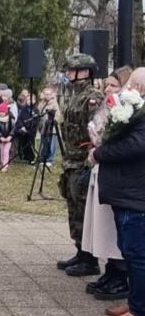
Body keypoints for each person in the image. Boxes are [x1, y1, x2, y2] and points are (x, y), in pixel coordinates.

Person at [91, 67, 145, 316]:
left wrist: (101, 152)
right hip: (127, 193)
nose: (128, 88)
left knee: (137, 255)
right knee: (130, 251)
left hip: (136, 195)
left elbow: (135, 146)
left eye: (133, 83)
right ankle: (136, 301)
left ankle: (140, 311)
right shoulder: (136, 112)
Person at [82, 66, 131, 301]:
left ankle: (120, 274)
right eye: (108, 85)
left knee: (115, 229)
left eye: (115, 85)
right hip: (101, 169)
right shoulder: (106, 106)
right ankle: (110, 270)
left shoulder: (129, 111)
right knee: (102, 225)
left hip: (117, 175)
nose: (109, 89)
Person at [56, 53, 103, 276]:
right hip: (71, 160)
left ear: (84, 72)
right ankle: (80, 250)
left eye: (71, 71)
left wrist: (88, 160)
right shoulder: (74, 95)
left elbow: (97, 130)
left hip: (83, 161)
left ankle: (89, 259)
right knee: (74, 209)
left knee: (83, 209)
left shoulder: (92, 97)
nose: (67, 74)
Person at [37, 86, 60, 165]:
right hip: (43, 127)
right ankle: (43, 158)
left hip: (51, 128)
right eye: (46, 94)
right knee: (44, 143)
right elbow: (39, 113)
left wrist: (52, 122)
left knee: (51, 144)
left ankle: (50, 159)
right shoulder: (41, 104)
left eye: (49, 94)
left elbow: (57, 115)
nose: (47, 96)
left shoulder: (54, 103)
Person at [0, 91, 15, 172]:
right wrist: (0, 137)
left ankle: (5, 165)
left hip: (8, 138)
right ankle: (2, 162)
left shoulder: (10, 119)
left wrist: (10, 136)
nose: (1, 113)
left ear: (6, 112)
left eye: (2, 112)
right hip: (1, 139)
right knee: (1, 151)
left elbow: (13, 128)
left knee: (6, 151)